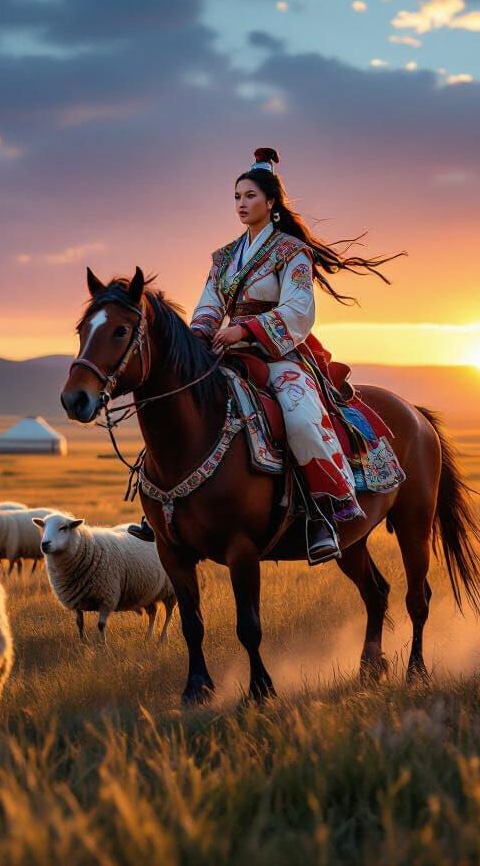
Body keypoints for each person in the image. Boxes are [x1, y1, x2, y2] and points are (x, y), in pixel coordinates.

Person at [130, 147, 402, 564]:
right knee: (178, 407)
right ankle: (164, 508)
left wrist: (246, 329)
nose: (241, 204)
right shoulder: (223, 258)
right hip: (225, 352)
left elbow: (298, 310)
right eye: (237, 196)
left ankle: (324, 511)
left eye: (250, 195)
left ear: (271, 202)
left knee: (299, 414)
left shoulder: (292, 253)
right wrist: (199, 337)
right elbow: (207, 305)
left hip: (280, 354)